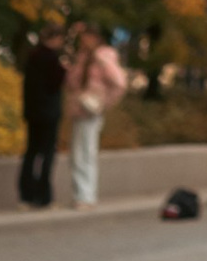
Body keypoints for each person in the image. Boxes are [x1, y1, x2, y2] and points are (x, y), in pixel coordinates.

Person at [61, 24, 128, 209]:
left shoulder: (103, 56)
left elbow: (118, 82)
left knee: (86, 153)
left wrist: (104, 103)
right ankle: (80, 194)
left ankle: (86, 195)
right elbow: (72, 83)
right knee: (77, 154)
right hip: (78, 109)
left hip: (91, 109)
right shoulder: (81, 58)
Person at [16, 25, 65, 209]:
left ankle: (26, 194)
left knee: (31, 152)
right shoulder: (52, 60)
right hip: (49, 114)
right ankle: (43, 196)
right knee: (47, 154)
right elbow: (55, 85)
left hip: (33, 113)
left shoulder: (32, 57)